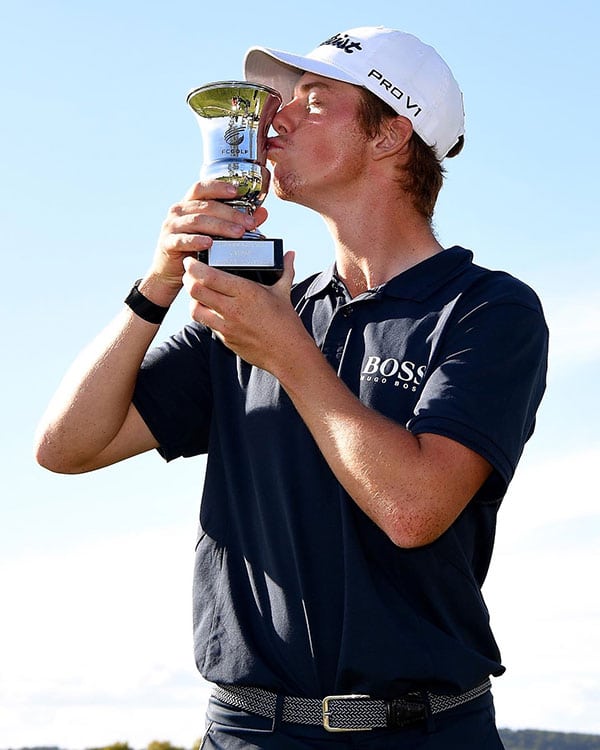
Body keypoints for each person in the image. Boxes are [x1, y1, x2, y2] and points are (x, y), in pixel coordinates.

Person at [35, 25, 549, 749]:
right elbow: (66, 447)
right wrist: (157, 281)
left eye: (312, 100)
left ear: (390, 136)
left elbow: (412, 509)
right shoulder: (260, 309)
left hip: (426, 732)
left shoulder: (486, 310)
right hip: (247, 730)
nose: (275, 118)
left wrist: (288, 353)